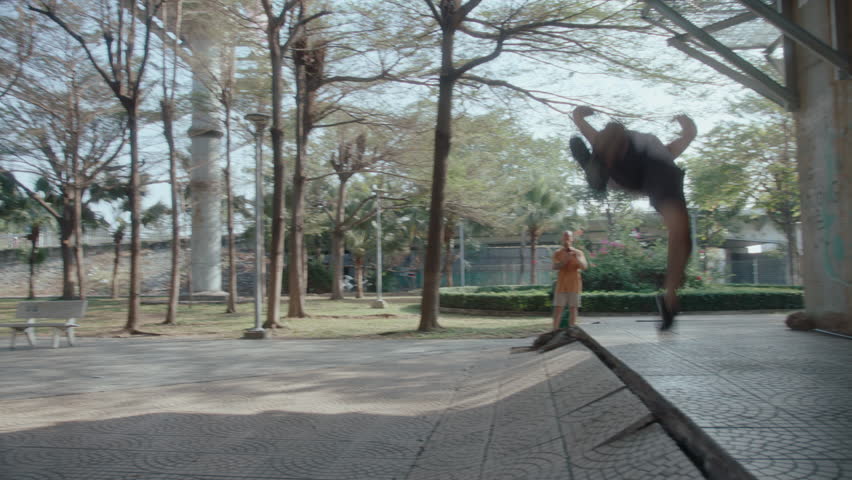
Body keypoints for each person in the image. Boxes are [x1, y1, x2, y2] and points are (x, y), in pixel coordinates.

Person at [569, 106, 696, 330]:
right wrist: (686, 124)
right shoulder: (657, 151)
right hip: (645, 174)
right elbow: (689, 136)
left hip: (631, 173)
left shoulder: (620, 143)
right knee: (680, 232)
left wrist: (580, 115)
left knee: (681, 233)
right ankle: (671, 295)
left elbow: (580, 120)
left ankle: (670, 297)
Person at [552, 230, 588, 330]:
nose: (567, 239)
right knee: (558, 309)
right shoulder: (558, 253)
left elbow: (584, 266)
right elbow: (555, 266)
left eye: (568, 237)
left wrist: (578, 258)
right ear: (562, 239)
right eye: (565, 237)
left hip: (574, 285)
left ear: (572, 239)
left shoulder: (579, 252)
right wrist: (565, 260)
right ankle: (554, 331)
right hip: (561, 285)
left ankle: (571, 331)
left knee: (573, 309)